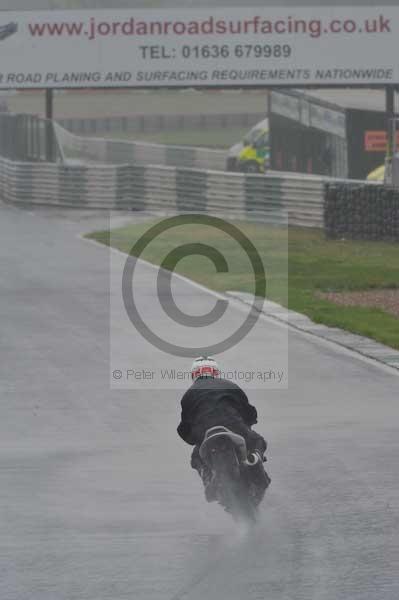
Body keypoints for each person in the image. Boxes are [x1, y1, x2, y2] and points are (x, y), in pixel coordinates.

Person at [177, 356, 268, 502]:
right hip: (233, 424)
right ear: (215, 372)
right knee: (258, 441)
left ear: (194, 374)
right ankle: (254, 459)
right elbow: (249, 412)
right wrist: (247, 424)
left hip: (204, 432)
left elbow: (184, 429)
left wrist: (194, 438)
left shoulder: (188, 395)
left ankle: (208, 478)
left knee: (195, 458)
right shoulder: (229, 384)